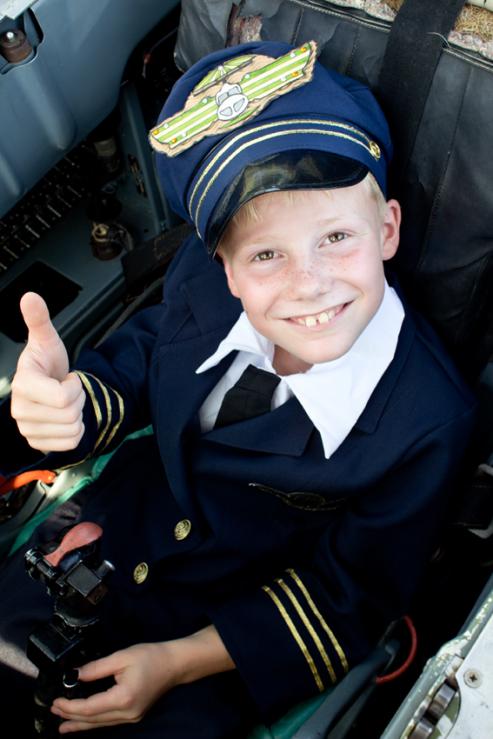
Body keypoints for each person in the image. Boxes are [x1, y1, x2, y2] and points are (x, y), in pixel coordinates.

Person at [0, 40, 476, 738]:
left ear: (387, 229)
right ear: (222, 267)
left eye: (336, 236)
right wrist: (75, 404)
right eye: (264, 254)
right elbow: (146, 354)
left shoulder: (428, 418)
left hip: (227, 634)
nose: (307, 281)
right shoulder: (203, 285)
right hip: (107, 534)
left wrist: (175, 663)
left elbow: (345, 595)